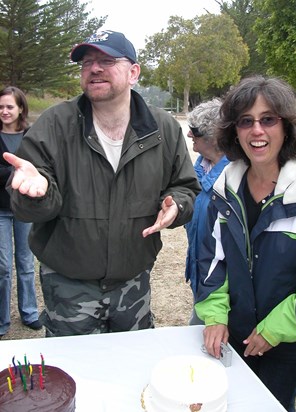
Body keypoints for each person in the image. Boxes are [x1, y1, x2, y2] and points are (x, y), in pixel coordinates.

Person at [3, 30, 200, 337]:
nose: (94, 68)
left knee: (131, 366)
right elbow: (30, 207)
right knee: (74, 372)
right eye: (86, 62)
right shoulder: (54, 124)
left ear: (133, 72)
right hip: (68, 283)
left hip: (134, 280)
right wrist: (34, 193)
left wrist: (178, 203)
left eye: (106, 60)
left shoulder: (163, 129)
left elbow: (186, 187)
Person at [195, 75, 296, 411]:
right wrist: (215, 316)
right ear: (234, 131)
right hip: (234, 331)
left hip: (290, 340)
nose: (256, 130)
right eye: (246, 121)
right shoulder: (223, 190)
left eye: (268, 119)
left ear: (286, 126)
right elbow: (212, 261)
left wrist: (275, 330)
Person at [0, 86, 42, 338]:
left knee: (26, 263)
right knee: (3, 267)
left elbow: (39, 166)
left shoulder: (31, 135)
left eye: (9, 106)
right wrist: (17, 172)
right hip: (1, 211)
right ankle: (2, 319)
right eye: (1, 106)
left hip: (25, 210)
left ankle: (30, 312)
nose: (4, 111)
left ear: (20, 109)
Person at [184, 98, 229, 325]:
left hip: (222, 288)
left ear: (213, 137)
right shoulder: (198, 170)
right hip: (200, 278)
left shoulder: (234, 177)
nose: (190, 135)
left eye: (195, 131)